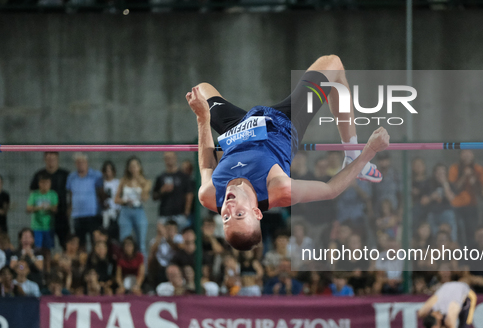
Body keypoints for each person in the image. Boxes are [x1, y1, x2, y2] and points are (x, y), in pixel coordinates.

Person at [188, 55, 389, 251]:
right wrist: (368, 152)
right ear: (256, 212)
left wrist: (202, 119)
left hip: (237, 128)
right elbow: (330, 190)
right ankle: (352, 153)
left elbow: (206, 165)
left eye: (225, 218)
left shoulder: (210, 195)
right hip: (283, 122)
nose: (229, 210)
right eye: (239, 214)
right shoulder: (278, 189)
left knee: (200, 90)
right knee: (333, 64)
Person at [30, 152, 70, 250]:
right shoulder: (39, 174)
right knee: (43, 246)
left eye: (53, 159)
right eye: (49, 159)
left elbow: (73, 192)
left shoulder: (65, 174)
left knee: (65, 242)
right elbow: (32, 192)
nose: (51, 161)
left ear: (58, 159)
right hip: (43, 217)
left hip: (61, 214)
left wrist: (70, 208)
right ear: (45, 159)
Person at [115, 157, 152, 257]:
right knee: (124, 241)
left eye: (135, 166)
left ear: (139, 167)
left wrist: (140, 183)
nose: (133, 169)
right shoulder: (123, 181)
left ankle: (143, 269)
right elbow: (116, 199)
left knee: (141, 243)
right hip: (126, 210)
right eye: (131, 166)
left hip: (138, 211)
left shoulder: (146, 182)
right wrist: (125, 201)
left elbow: (145, 198)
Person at [67, 153, 104, 250]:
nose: (80, 164)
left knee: (94, 240)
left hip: (93, 214)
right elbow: (71, 194)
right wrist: (70, 207)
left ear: (87, 163)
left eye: (82, 162)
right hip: (78, 215)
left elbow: (101, 192)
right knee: (80, 242)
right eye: (78, 162)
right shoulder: (71, 177)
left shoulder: (96, 175)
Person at [152, 152, 192, 233]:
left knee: (180, 239)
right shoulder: (161, 177)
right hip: (164, 214)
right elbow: (154, 196)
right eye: (167, 158)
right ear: (164, 160)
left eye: (171, 158)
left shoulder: (183, 176)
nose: (169, 160)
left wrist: (186, 211)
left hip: (179, 214)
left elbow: (189, 194)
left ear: (175, 158)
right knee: (163, 239)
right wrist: (162, 190)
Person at [26, 171, 58, 267]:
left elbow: (56, 209)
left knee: (47, 250)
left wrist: (48, 207)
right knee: (37, 249)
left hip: (49, 227)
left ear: (50, 183)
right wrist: (38, 208)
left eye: (47, 183)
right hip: (37, 227)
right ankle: (37, 268)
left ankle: (47, 269)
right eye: (42, 183)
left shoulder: (53, 194)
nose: (45, 185)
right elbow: (28, 209)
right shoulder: (34, 194)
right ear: (39, 183)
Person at [101, 160, 120, 241]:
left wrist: (118, 208)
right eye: (106, 170)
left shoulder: (117, 182)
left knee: (116, 235)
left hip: (116, 211)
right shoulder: (102, 183)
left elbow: (120, 196)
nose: (108, 172)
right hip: (105, 212)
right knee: (105, 233)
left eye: (110, 170)